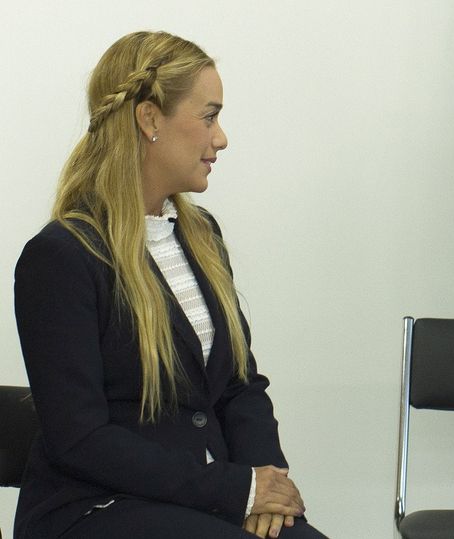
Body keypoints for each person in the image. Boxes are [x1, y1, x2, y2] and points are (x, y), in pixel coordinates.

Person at [13, 31, 326, 539]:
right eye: (209, 116)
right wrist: (236, 490)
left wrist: (268, 486)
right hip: (95, 508)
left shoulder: (202, 236)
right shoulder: (61, 257)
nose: (220, 138)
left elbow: (239, 385)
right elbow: (81, 438)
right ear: (150, 118)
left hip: (198, 500)